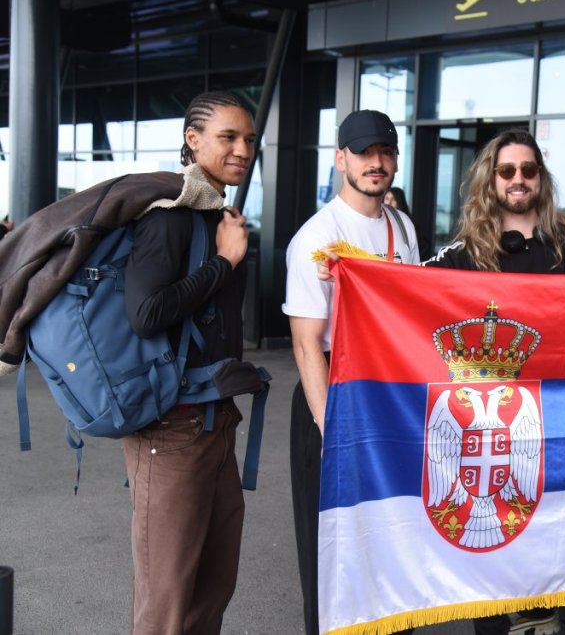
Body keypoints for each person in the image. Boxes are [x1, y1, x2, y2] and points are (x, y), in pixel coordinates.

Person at [425, 129, 565, 635]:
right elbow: (402, 288)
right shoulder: (463, 255)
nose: (518, 179)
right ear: (491, 180)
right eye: (507, 170)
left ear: (540, 179)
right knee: (490, 549)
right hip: (495, 433)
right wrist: (350, 273)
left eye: (528, 170)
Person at [121, 91, 255, 634]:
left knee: (213, 588)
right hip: (170, 427)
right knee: (167, 603)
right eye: (228, 137)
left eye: (249, 139)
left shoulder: (218, 213)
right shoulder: (169, 217)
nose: (242, 148)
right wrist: (224, 261)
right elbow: (146, 314)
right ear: (192, 140)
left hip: (216, 420)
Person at [283, 109, 420, 635]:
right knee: (334, 547)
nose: (376, 162)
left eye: (385, 152)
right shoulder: (317, 235)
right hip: (334, 399)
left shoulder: (401, 226)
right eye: (364, 153)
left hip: (390, 401)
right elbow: (305, 344)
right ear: (341, 159)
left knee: (392, 533)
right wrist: (331, 429)